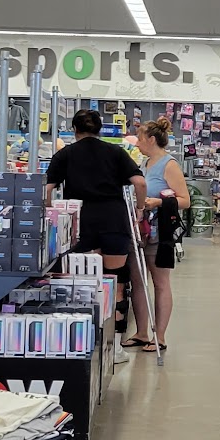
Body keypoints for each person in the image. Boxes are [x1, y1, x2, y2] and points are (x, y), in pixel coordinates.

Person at [45, 108, 147, 338]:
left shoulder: (65, 154)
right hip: (113, 219)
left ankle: (88, 330)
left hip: (80, 221)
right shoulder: (116, 152)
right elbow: (140, 183)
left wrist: (51, 214)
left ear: (74, 129)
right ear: (100, 129)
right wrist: (140, 208)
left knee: (83, 276)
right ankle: (115, 334)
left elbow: (47, 189)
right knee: (116, 277)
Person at [127, 117, 189, 350]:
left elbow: (185, 200)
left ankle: (159, 336)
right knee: (138, 281)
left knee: (160, 283)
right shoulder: (144, 164)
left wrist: (158, 202)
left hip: (158, 232)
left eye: (140, 139)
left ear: (151, 139)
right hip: (139, 232)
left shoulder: (169, 165)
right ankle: (142, 332)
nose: (137, 143)